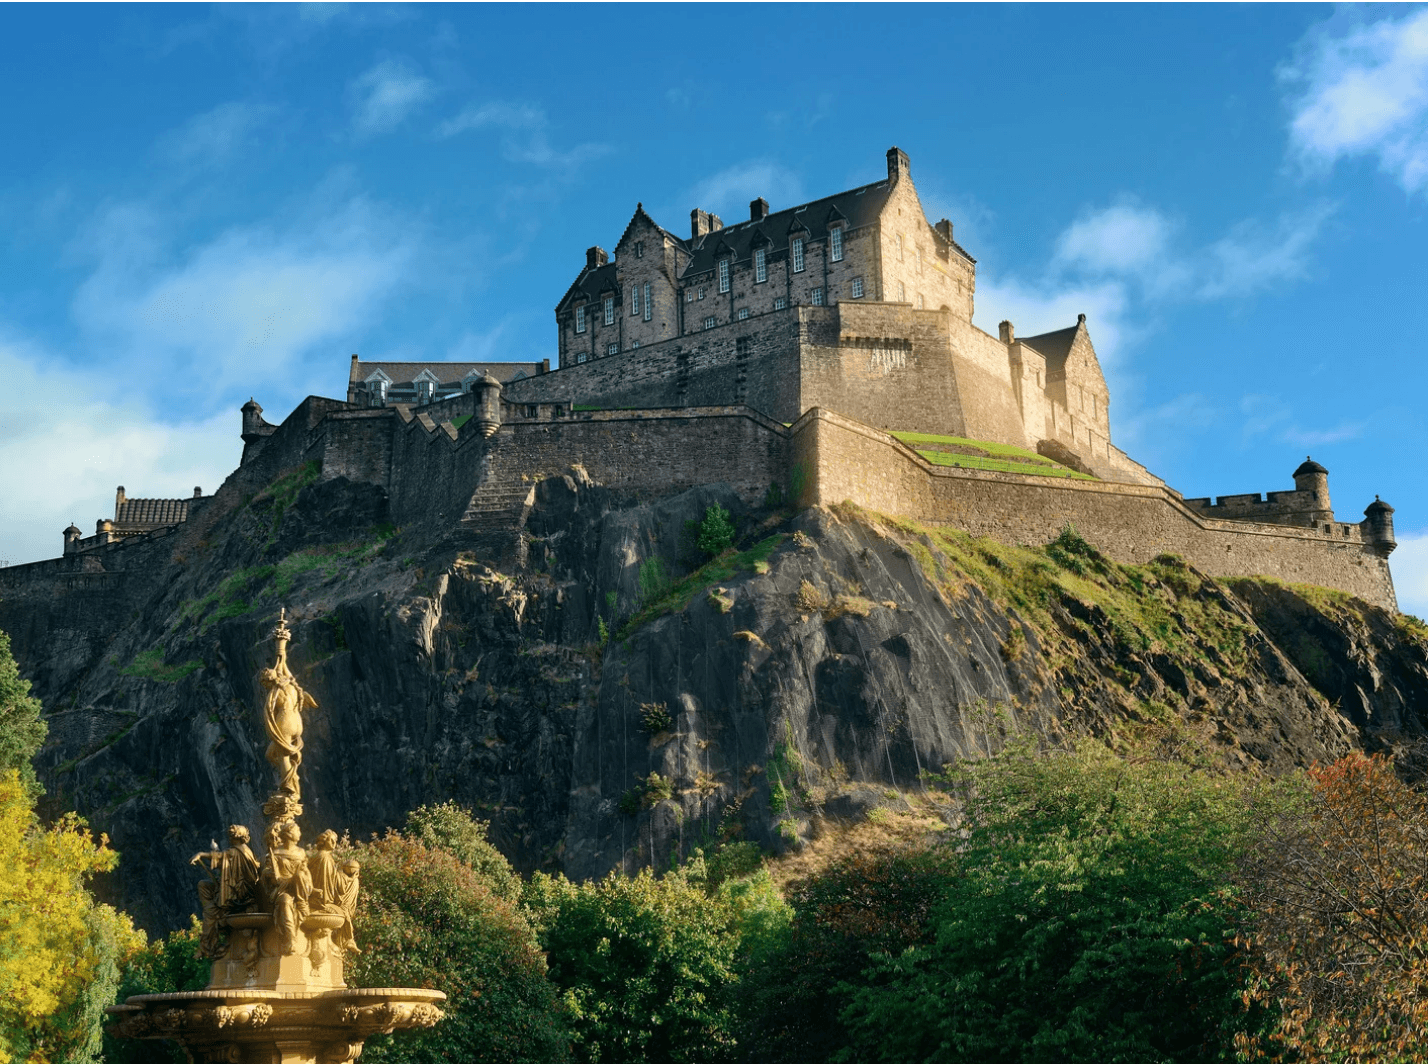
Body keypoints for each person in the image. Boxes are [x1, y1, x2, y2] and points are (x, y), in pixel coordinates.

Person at [258, 609, 317, 801]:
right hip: (297, 723)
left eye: (265, 682)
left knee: (282, 755)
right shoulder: (290, 683)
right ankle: (292, 777)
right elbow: (282, 663)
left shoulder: (277, 690)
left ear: (270, 681)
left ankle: (290, 788)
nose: (265, 686)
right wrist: (280, 647)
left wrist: (280, 645)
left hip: (285, 721)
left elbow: (279, 666)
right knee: (272, 754)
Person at [189, 825, 260, 958]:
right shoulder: (244, 850)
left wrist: (200, 854)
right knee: (203, 885)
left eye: (231, 836)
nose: (229, 839)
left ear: (236, 837)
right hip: (237, 889)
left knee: (210, 914)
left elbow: (221, 856)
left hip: (238, 894)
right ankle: (211, 908)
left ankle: (206, 947)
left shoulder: (236, 852)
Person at [261, 819, 312, 955]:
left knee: (300, 875)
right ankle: (290, 939)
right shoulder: (275, 853)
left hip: (298, 888)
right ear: (289, 834)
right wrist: (270, 874)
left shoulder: (301, 853)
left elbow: (306, 872)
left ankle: (302, 903)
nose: (300, 833)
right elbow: (265, 872)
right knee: (285, 902)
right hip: (282, 889)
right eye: (297, 831)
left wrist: (304, 880)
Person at [307, 829, 360, 955]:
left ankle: (346, 941)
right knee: (342, 914)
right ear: (324, 841)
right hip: (319, 900)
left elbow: (331, 879)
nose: (334, 843)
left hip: (316, 897)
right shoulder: (324, 858)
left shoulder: (320, 856)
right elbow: (324, 884)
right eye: (332, 840)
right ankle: (346, 941)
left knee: (343, 913)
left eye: (335, 841)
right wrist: (326, 902)